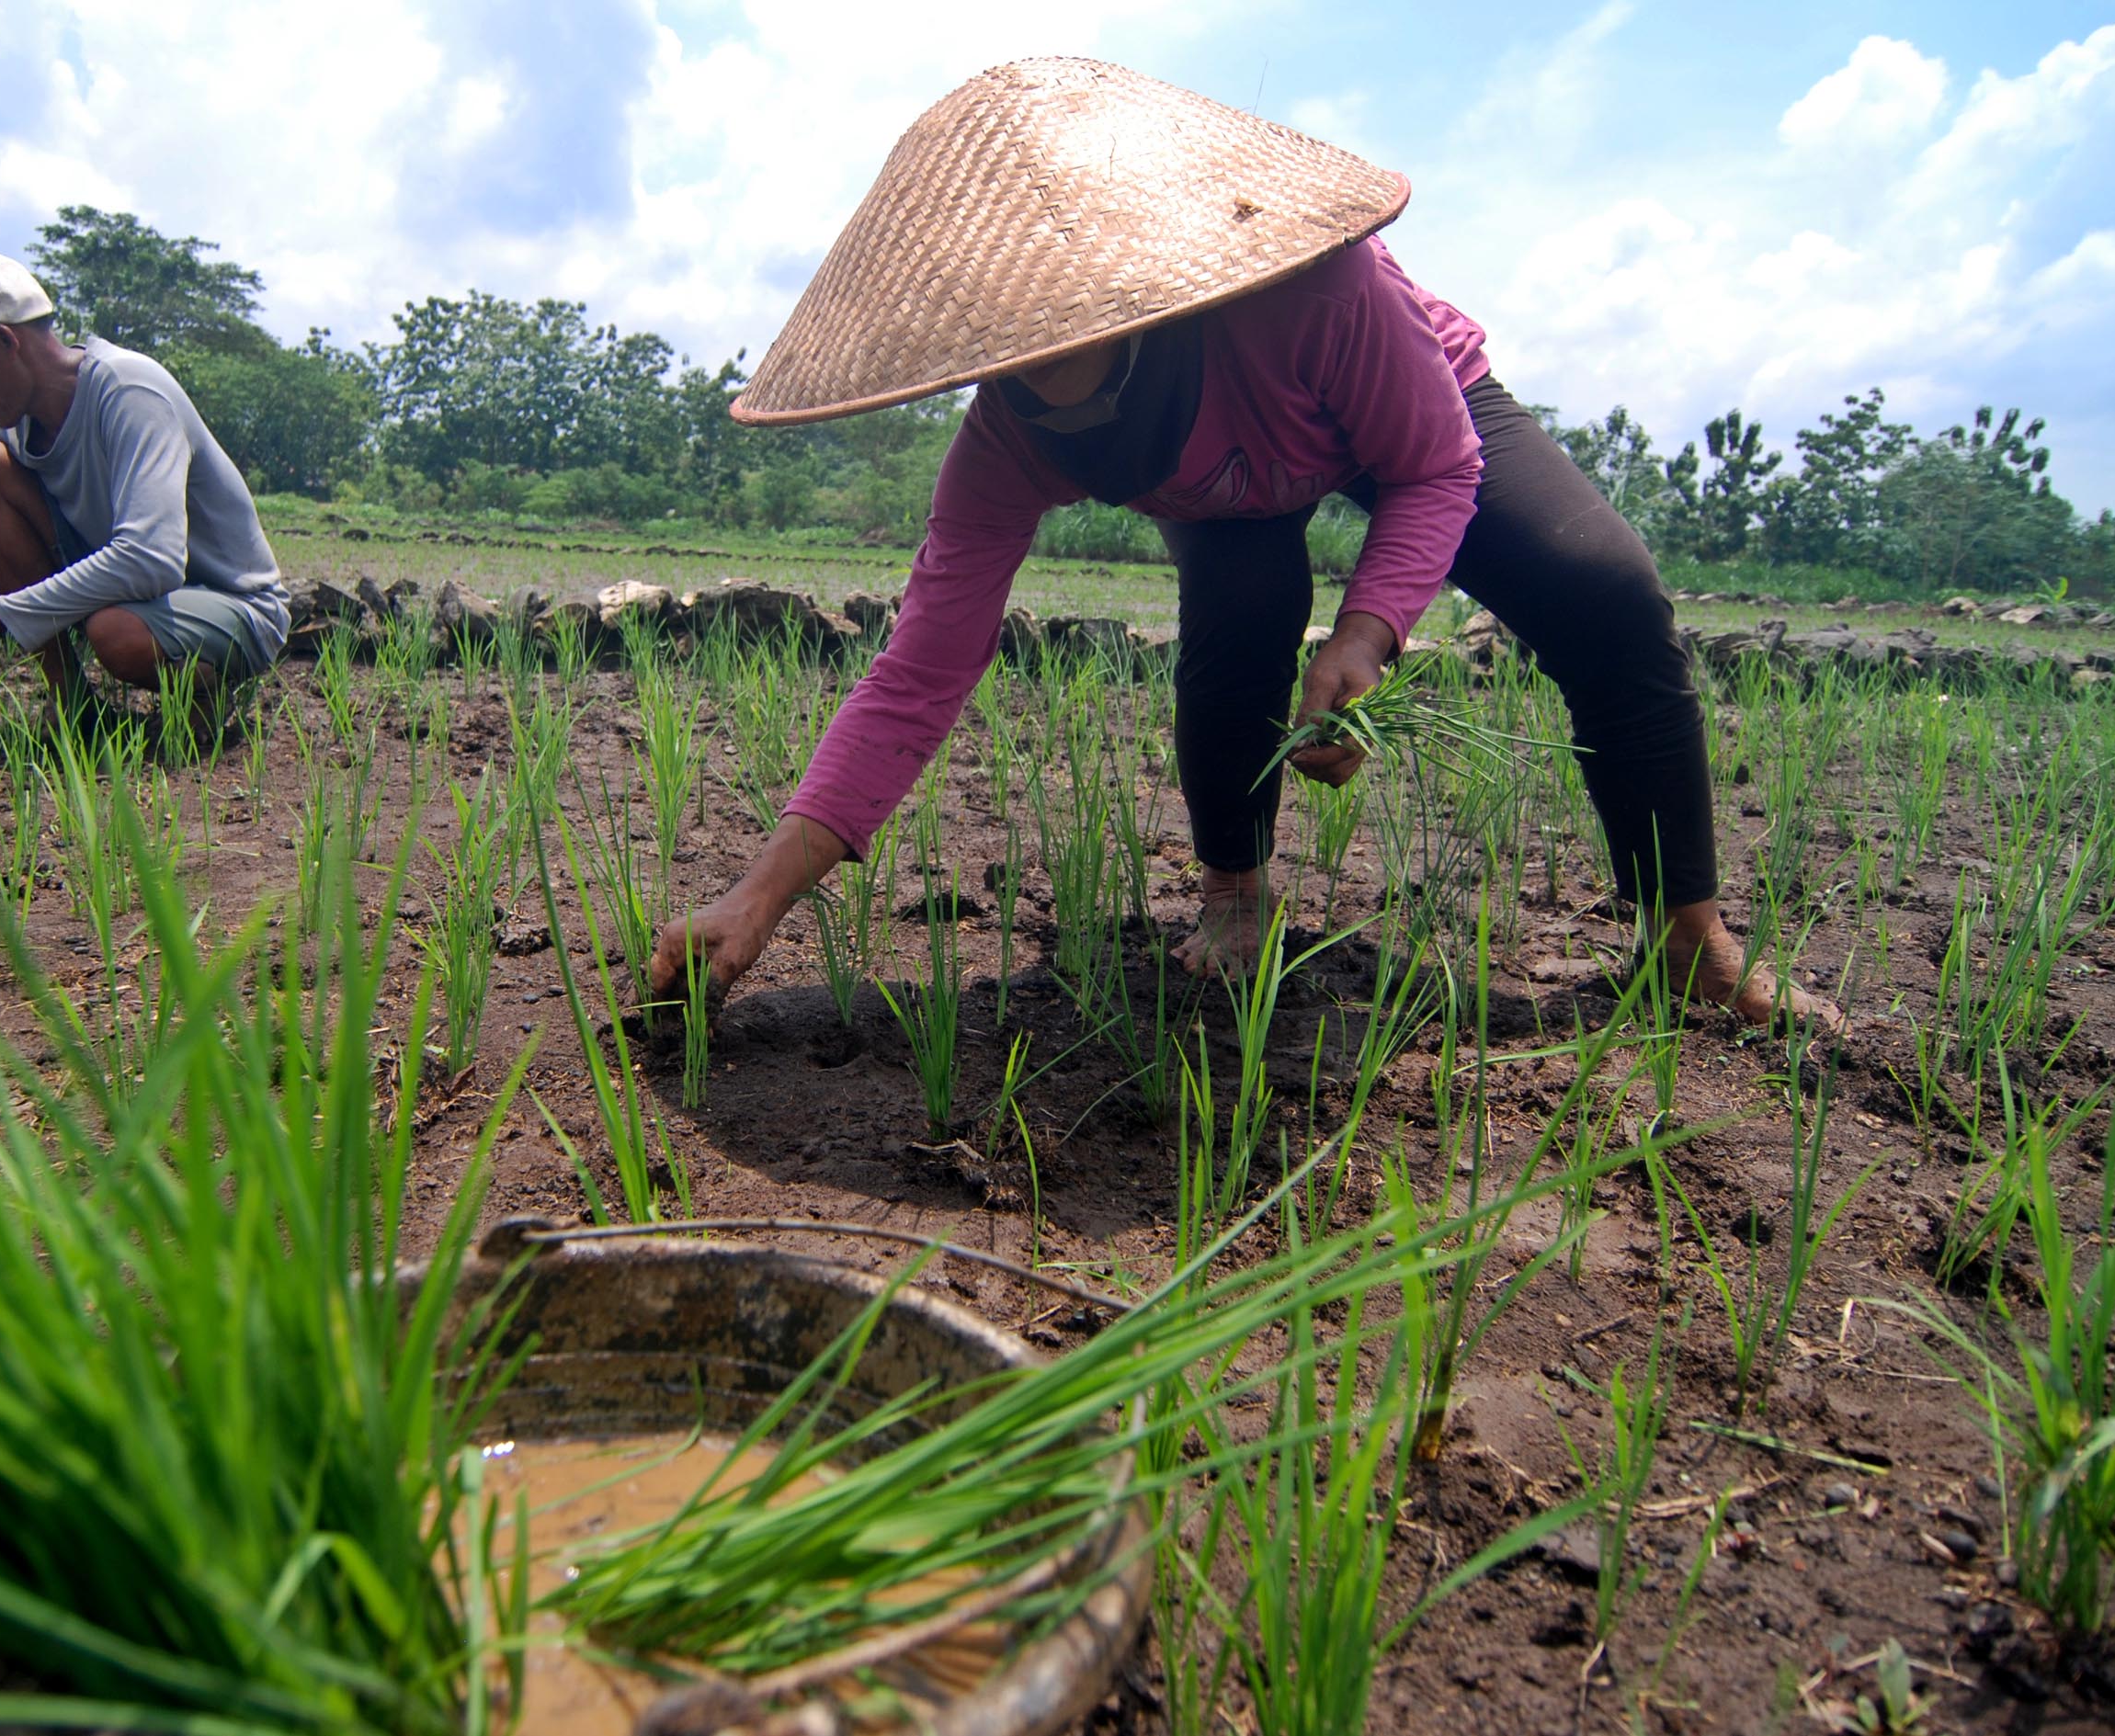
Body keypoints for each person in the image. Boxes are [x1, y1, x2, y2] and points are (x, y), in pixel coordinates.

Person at [648, 58, 1835, 1031]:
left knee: (1606, 594)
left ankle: (1688, 936)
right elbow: (920, 672)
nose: (1031, 371)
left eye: (1060, 336)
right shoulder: (1006, 441)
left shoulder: (1318, 293)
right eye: (1003, 354)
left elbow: (1433, 468)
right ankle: (1234, 891)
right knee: (1238, 630)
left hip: (1397, 414)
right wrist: (756, 900)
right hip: (1227, 488)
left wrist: (1367, 635)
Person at [0, 244, 290, 718]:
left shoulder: (129, 391)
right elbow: (4, 539)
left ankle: (205, 695)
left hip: (230, 606)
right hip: (119, 594)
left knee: (117, 633)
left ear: (5, 342)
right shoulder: (9, 425)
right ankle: (73, 707)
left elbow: (152, 561)